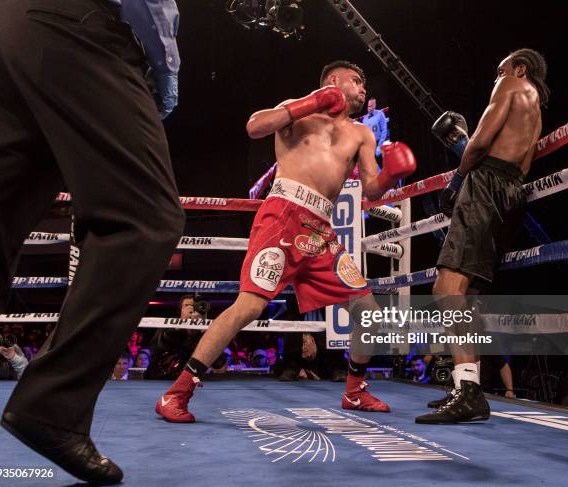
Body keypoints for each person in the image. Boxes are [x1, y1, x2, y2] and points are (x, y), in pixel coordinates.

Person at [155, 60, 416, 423]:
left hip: (322, 230)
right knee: (248, 307)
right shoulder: (299, 111)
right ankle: (177, 392)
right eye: (356, 81)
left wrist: (391, 174)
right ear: (332, 81)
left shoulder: (362, 135)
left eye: (364, 83)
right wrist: (313, 101)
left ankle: (355, 392)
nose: (363, 88)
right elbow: (254, 127)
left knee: (368, 311)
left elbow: (371, 189)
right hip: (283, 215)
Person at [0, 0, 184, 483]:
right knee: (144, 216)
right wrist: (166, 70)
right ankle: (51, 406)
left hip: (5, 27)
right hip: (74, 21)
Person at [416, 48, 549, 424]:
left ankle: (470, 391)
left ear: (519, 68)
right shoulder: (536, 110)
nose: (496, 74)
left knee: (446, 288)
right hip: (510, 192)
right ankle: (465, 386)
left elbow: (480, 142)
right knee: (469, 296)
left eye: (501, 67)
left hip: (486, 184)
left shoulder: (511, 84)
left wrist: (458, 179)